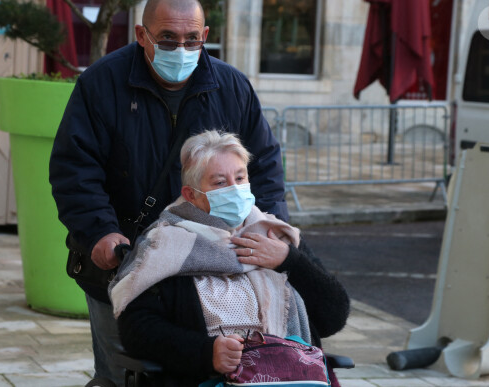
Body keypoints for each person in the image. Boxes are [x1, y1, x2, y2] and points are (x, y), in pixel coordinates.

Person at [49, 0, 288, 384]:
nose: (181, 49)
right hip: (122, 265)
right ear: (142, 35)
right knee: (123, 374)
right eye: (168, 38)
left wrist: (271, 230)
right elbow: (74, 170)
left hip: (209, 270)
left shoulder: (232, 87)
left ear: (206, 36)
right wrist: (98, 231)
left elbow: (265, 170)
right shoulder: (101, 83)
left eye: (192, 39)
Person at [110, 130, 350, 386]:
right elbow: (137, 329)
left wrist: (290, 261)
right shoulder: (165, 246)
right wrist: (206, 352)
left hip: (292, 376)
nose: (235, 190)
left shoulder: (276, 235)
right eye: (219, 183)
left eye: (240, 177)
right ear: (191, 195)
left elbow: (333, 318)